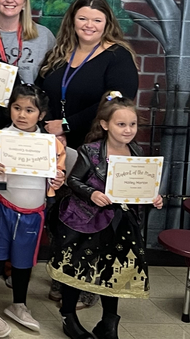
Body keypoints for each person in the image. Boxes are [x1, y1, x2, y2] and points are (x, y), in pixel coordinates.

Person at [47, 93, 161, 339]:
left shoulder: (138, 152)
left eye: (132, 124)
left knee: (114, 269)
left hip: (120, 222)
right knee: (76, 267)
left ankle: (109, 321)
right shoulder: (91, 150)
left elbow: (141, 185)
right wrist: (92, 194)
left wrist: (153, 197)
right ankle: (69, 316)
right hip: (86, 220)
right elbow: (74, 179)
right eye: (121, 124)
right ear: (105, 124)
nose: (128, 130)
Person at [0, 85, 66, 338]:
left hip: (33, 210)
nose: (22, 115)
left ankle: (19, 304)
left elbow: (58, 173)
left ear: (41, 114)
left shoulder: (51, 144)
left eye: (29, 110)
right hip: (2, 205)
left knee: (24, 259)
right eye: (17, 108)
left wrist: (58, 179)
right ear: (9, 109)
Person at [38, 0, 139, 149]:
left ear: (107, 24)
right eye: (82, 18)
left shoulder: (118, 56)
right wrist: (54, 130)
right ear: (72, 20)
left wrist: (66, 126)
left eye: (97, 20)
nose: (89, 25)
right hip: (52, 141)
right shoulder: (57, 53)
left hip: (95, 145)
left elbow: (116, 102)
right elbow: (39, 93)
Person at [0, 0, 55, 87]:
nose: (9, 0)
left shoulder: (43, 35)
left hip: (29, 103)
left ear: (24, 2)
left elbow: (55, 77)